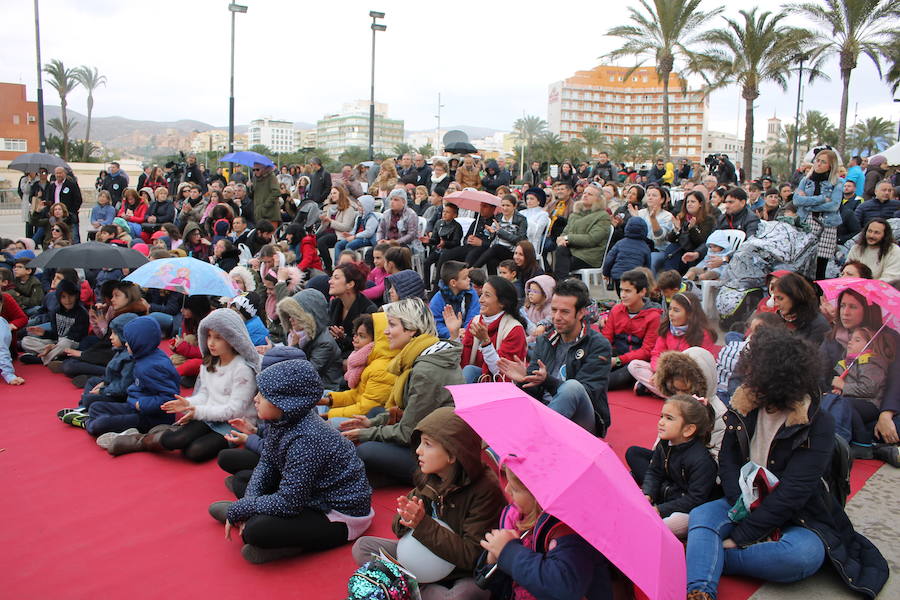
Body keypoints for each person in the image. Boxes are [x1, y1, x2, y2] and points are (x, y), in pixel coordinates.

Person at [685, 327, 889, 600]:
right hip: (743, 502)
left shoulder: (818, 423)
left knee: (802, 556)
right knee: (701, 516)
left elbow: (794, 491)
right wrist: (739, 506)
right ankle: (700, 589)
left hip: (800, 515)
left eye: (756, 373)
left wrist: (743, 535)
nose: (748, 378)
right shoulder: (745, 405)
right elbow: (728, 461)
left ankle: (706, 556)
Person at [205, 358, 374, 564]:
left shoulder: (307, 439)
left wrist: (242, 508)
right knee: (242, 480)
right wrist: (247, 505)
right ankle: (252, 518)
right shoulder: (281, 420)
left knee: (256, 530)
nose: (255, 399)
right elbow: (267, 462)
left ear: (285, 402)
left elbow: (289, 503)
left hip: (337, 514)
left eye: (263, 395)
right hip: (308, 495)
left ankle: (287, 543)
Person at [351, 407, 506, 599]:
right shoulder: (432, 476)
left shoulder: (485, 490)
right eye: (420, 443)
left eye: (428, 444)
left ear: (452, 454)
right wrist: (405, 518)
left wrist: (422, 524)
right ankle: (418, 588)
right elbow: (400, 529)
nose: (418, 451)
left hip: (463, 571)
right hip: (426, 556)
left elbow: (471, 556)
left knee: (461, 596)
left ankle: (410, 587)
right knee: (363, 547)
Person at [339, 298, 464, 486]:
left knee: (365, 450)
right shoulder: (420, 355)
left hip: (438, 453)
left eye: (392, 325)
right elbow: (407, 413)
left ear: (411, 329)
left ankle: (423, 480)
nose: (385, 331)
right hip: (426, 437)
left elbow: (407, 433)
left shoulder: (426, 370)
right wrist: (371, 423)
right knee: (375, 414)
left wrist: (364, 433)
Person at [106, 309, 260, 460]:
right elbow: (204, 394)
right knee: (178, 440)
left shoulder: (242, 369)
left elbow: (234, 410)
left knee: (194, 452)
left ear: (232, 338)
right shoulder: (210, 362)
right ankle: (140, 441)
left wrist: (196, 411)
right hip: (209, 415)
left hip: (235, 424)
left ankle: (166, 432)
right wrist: (187, 404)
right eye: (209, 336)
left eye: (218, 338)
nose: (211, 343)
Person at [475, 464, 613, 600]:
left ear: (538, 496)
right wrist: (493, 561)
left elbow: (564, 588)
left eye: (515, 489)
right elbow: (504, 587)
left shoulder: (569, 532)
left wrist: (509, 553)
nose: (507, 489)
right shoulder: (515, 518)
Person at [499, 278, 611, 436]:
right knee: (503, 392)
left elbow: (587, 393)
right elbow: (535, 389)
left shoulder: (598, 344)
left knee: (572, 387)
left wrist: (547, 380)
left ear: (580, 313)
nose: (556, 317)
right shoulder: (544, 340)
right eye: (554, 310)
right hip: (544, 409)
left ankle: (530, 439)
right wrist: (524, 379)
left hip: (581, 419)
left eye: (564, 312)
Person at [85, 316, 180, 438]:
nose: (125, 344)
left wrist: (141, 404)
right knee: (95, 407)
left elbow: (168, 397)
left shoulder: (152, 366)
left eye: (128, 342)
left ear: (139, 343)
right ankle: (113, 429)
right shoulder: (142, 357)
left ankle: (91, 424)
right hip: (134, 405)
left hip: (150, 417)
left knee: (101, 424)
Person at [641, 394, 718, 539]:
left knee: (671, 523)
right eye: (661, 416)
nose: (661, 422)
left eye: (669, 418)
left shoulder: (702, 461)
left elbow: (695, 499)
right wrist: (648, 493)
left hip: (687, 510)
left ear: (688, 430)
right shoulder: (664, 444)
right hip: (668, 496)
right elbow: (654, 472)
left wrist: (660, 509)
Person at [627, 292, 717, 397]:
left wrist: (675, 376)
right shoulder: (667, 328)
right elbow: (657, 353)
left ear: (690, 314)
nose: (671, 313)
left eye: (676, 310)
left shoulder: (703, 334)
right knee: (634, 365)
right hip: (666, 374)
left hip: (688, 378)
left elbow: (705, 365)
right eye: (670, 309)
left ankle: (665, 392)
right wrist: (659, 372)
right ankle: (672, 394)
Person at [448, 276, 527, 384]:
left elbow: (504, 375)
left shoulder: (514, 329)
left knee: (470, 371)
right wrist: (454, 335)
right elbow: (462, 363)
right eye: (481, 294)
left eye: (487, 295)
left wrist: (486, 343)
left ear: (502, 302)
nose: (480, 300)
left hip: (500, 388)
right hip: (477, 382)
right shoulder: (476, 322)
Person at [324, 313, 397, 421]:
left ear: (378, 341)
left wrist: (328, 415)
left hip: (371, 420)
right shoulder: (368, 362)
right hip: (363, 413)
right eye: (356, 335)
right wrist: (330, 400)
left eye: (362, 336)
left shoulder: (380, 368)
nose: (355, 340)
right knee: (325, 394)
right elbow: (356, 395)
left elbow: (366, 408)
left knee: (331, 421)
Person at [602, 269, 663, 390]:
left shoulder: (654, 316)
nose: (623, 295)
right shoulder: (616, 310)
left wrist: (618, 360)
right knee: (592, 360)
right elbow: (606, 339)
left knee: (605, 382)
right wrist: (602, 355)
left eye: (628, 291)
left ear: (642, 292)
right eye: (621, 290)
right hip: (617, 354)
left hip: (636, 361)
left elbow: (646, 351)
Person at [277, 289, 344, 389]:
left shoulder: (325, 342)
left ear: (307, 318)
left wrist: (294, 348)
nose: (290, 319)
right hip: (307, 387)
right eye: (289, 315)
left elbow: (308, 372)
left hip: (326, 389)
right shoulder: (297, 335)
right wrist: (271, 349)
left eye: (295, 316)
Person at [794, 149, 843, 279]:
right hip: (807, 222)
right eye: (817, 160)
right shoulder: (806, 180)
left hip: (826, 225)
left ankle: (818, 290)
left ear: (830, 166)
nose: (819, 164)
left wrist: (808, 203)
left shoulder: (837, 183)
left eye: (823, 162)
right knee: (803, 262)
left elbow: (834, 205)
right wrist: (821, 199)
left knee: (820, 267)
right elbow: (797, 200)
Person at [20, 279, 89, 366]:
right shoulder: (56, 311)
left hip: (72, 344)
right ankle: (55, 356)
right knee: (26, 341)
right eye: (63, 297)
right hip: (57, 343)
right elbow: (56, 334)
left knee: (65, 343)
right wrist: (44, 333)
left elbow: (75, 338)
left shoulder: (82, 313)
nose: (67, 300)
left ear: (76, 296)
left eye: (71, 296)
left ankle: (41, 359)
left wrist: (54, 346)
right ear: (58, 298)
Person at [553, 182, 611, 279]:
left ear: (598, 199)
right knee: (561, 250)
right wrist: (560, 239)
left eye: (590, 194)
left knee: (562, 262)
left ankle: (562, 283)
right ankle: (563, 282)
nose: (585, 195)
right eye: (584, 193)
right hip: (572, 252)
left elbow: (592, 239)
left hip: (589, 256)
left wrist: (567, 238)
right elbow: (565, 232)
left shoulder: (602, 216)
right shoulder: (575, 214)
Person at [327, 262, 377, 358]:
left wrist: (344, 337)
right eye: (331, 277)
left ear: (350, 284)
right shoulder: (335, 304)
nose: (330, 281)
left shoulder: (368, 309)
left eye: (336, 278)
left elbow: (369, 345)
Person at [661, 191, 716, 273]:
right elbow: (670, 239)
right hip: (681, 249)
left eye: (693, 202)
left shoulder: (708, 220)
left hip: (697, 251)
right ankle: (670, 275)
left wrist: (692, 229)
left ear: (700, 204)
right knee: (671, 247)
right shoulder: (682, 217)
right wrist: (677, 230)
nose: (689, 204)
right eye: (687, 202)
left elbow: (702, 241)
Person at [770, 272, 831, 344]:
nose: (776, 304)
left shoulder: (818, 325)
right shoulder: (777, 320)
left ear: (795, 297)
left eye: (780, 298)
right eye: (775, 299)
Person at [473, 195, 527, 274]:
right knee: (491, 260)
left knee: (496, 247)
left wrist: (500, 232)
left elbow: (520, 240)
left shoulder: (521, 219)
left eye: (508, 205)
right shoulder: (498, 217)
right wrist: (492, 232)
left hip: (512, 251)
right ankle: (492, 280)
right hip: (498, 249)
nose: (505, 208)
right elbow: (493, 236)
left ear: (514, 206)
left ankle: (474, 268)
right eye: (503, 205)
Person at [430, 261, 480, 340]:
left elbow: (473, 316)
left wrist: (465, 331)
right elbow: (435, 324)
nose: (469, 279)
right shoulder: (437, 300)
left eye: (468, 276)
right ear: (453, 282)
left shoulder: (471, 294)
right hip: (447, 339)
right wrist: (453, 332)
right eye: (465, 278)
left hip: (468, 336)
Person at [603, 217, 651, 293]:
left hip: (618, 275)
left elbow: (609, 259)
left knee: (621, 294)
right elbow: (647, 265)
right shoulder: (645, 247)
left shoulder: (620, 243)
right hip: (636, 277)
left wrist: (606, 273)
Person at [317, 184, 358, 273]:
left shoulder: (348, 208)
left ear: (341, 194)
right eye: (331, 193)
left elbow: (346, 227)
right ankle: (317, 264)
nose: (332, 195)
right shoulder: (331, 208)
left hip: (340, 234)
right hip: (330, 231)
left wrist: (331, 221)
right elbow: (326, 225)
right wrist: (324, 221)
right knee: (314, 238)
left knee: (321, 242)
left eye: (335, 193)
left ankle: (328, 267)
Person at [422, 202, 463, 286]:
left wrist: (445, 243)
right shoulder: (439, 223)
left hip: (450, 251)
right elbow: (435, 239)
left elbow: (456, 242)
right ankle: (426, 285)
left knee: (440, 264)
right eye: (444, 211)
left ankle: (437, 285)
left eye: (448, 212)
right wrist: (429, 241)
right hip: (439, 249)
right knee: (426, 262)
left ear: (455, 215)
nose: (444, 214)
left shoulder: (457, 226)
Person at [846, 218, 900, 282]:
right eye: (870, 231)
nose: (871, 235)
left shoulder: (894, 251)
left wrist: (869, 286)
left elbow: (891, 278)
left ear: (885, 235)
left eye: (877, 233)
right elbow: (848, 272)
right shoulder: (856, 249)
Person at [519, 187, 551, 253]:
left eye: (532, 199)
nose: (528, 201)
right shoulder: (522, 212)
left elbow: (536, 232)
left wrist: (523, 223)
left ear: (539, 201)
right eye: (527, 199)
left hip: (532, 245)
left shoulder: (543, 214)